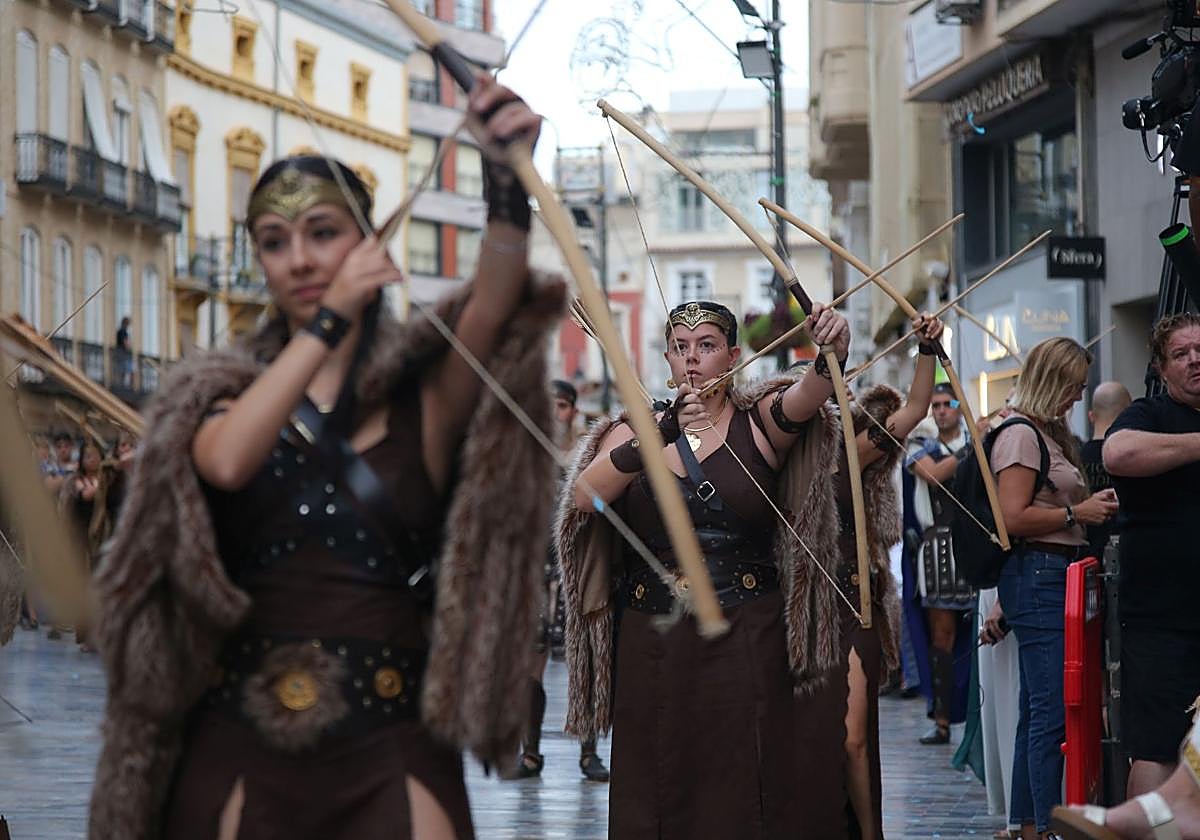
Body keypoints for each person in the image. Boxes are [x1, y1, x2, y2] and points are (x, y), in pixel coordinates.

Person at [88, 76, 563, 840]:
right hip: (242, 735)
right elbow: (229, 463)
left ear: (366, 241)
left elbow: (495, 301)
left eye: (323, 232)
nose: (300, 259)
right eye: (274, 243)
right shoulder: (215, 395)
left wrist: (504, 177)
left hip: (392, 736)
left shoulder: (423, 396)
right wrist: (335, 315)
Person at [560, 299, 853, 838]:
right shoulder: (633, 431)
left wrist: (830, 349)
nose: (691, 359)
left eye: (707, 346)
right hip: (655, 634)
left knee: (745, 781)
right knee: (656, 782)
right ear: (668, 360)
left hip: (746, 630)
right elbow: (584, 498)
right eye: (680, 348)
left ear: (734, 356)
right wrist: (661, 434)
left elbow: (812, 392)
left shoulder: (760, 422)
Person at [807, 316, 946, 840]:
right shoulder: (774, 451)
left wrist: (926, 348)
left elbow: (912, 410)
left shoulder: (849, 447)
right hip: (795, 606)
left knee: (852, 736)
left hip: (849, 598)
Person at [988, 337, 1119, 840]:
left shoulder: (1045, 432)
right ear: (1053, 382)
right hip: (1041, 575)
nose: (1077, 398)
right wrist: (1075, 513)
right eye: (1073, 387)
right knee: (1051, 712)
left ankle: (1027, 822)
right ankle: (1043, 826)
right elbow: (1012, 517)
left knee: (1036, 710)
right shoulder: (1022, 435)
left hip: (1050, 574)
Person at [1102, 313, 1200, 800]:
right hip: (1161, 619)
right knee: (1157, 747)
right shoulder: (1149, 415)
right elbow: (1117, 454)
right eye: (1181, 354)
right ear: (1162, 369)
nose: (1195, 360)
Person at [512, 379, 610, 783]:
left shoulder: (588, 454)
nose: (556, 414)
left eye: (563, 406)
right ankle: (530, 753)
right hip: (535, 574)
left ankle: (589, 753)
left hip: (579, 567)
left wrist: (598, 499)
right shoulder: (521, 458)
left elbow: (605, 501)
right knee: (529, 665)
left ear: (573, 410)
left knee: (583, 661)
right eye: (548, 405)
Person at [905, 382, 975, 745]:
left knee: (981, 637)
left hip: (974, 546)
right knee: (942, 639)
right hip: (937, 550)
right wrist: (972, 446)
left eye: (949, 403)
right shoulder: (920, 446)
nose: (943, 410)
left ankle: (977, 724)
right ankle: (944, 720)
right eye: (937, 405)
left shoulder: (975, 444)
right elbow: (933, 473)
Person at [59, 439, 113, 652]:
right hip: (80, 538)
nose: (90, 459)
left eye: (94, 455)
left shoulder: (108, 479)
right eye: (87, 456)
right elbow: (71, 503)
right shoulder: (75, 481)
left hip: (102, 539)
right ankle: (88, 635)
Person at [1080, 381, 1130, 557]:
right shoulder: (1134, 457)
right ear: (1127, 414)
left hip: (1085, 556)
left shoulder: (1074, 459)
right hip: (1126, 551)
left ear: (1091, 416)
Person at [116, 316, 133, 387]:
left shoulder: (121, 331)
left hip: (121, 352)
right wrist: (128, 347)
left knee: (124, 369)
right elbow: (124, 342)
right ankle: (124, 385)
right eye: (128, 324)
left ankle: (123, 384)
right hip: (122, 352)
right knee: (125, 369)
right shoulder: (123, 331)